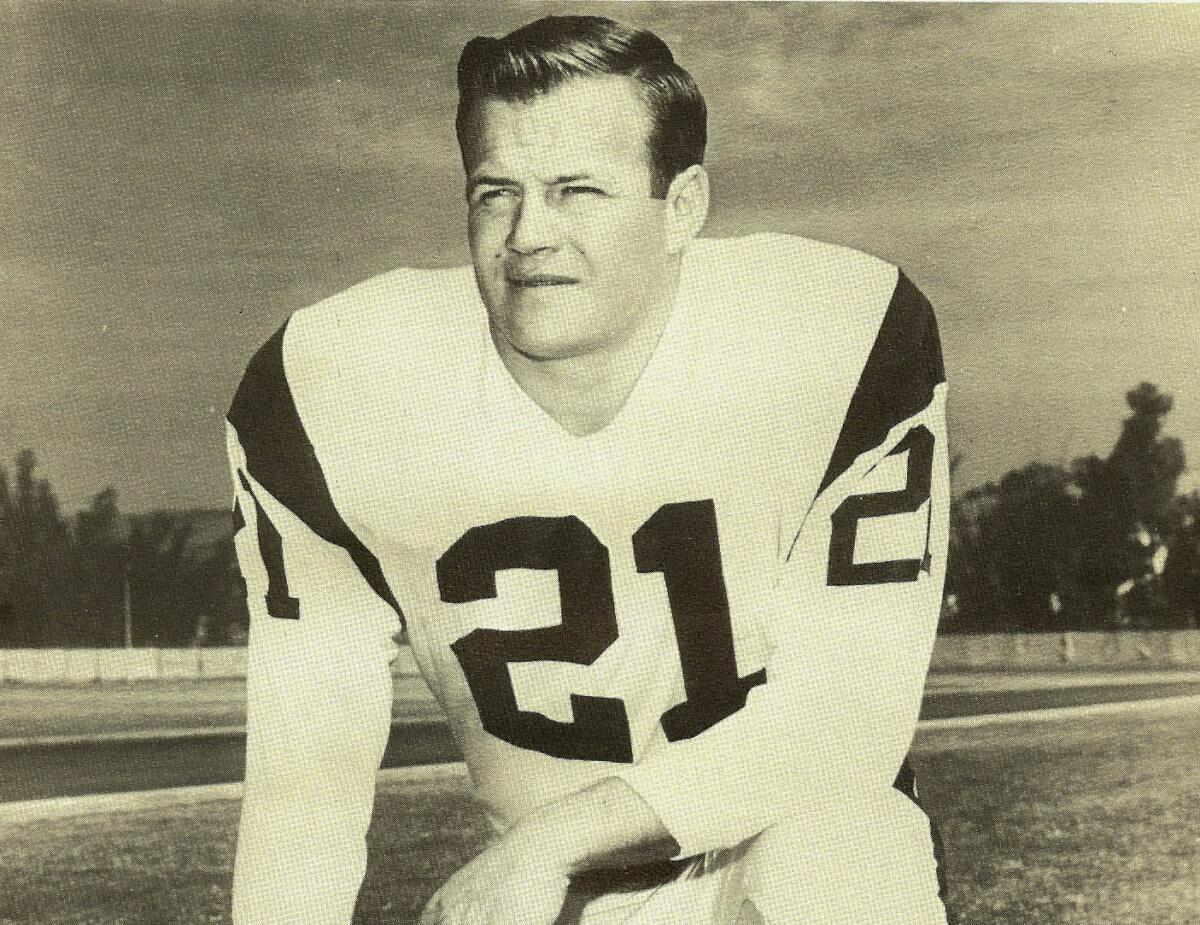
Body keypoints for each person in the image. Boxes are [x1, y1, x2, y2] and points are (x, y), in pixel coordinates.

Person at [226, 14, 951, 925]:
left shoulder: (835, 335)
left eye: (578, 191)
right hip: (560, 902)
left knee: (846, 849)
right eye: (497, 192)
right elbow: (306, 782)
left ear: (682, 207)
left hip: (752, 858)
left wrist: (544, 842)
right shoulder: (330, 385)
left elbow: (847, 723)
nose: (530, 234)